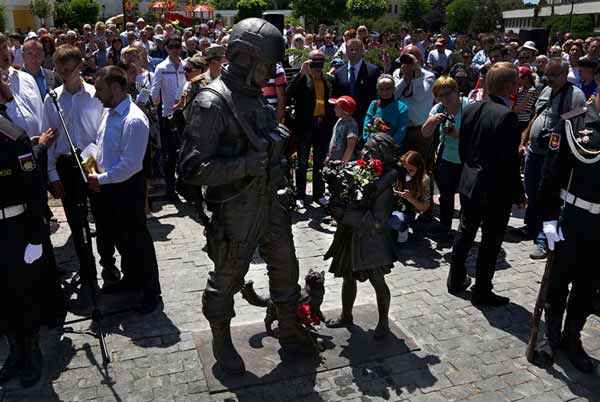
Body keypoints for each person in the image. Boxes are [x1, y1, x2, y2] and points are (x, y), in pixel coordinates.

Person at [177, 18, 316, 376]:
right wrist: (245, 163)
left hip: (271, 201)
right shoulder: (212, 102)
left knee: (286, 265)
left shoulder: (256, 99)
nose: (271, 74)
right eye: (267, 66)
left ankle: (288, 326)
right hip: (236, 207)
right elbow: (191, 169)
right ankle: (221, 337)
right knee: (227, 275)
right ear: (246, 58)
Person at [43, 45, 120, 298]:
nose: (66, 75)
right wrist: (52, 174)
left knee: (104, 217)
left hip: (91, 160)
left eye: (70, 70)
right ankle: (87, 274)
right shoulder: (52, 98)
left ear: (79, 67)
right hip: (66, 164)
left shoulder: (93, 95)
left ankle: (109, 268)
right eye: (61, 71)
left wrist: (98, 165)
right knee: (77, 225)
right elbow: (50, 140)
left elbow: (103, 132)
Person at [447, 62, 525, 306]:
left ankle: (455, 279)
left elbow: (463, 147)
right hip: (494, 189)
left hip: (470, 182)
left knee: (465, 232)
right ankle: (482, 289)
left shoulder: (471, 108)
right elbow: (509, 162)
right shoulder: (507, 116)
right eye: (515, 83)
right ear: (509, 86)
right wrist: (518, 192)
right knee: (490, 241)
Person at [533, 93, 600, 374]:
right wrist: (548, 228)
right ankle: (551, 335)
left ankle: (572, 338)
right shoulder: (574, 123)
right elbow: (550, 178)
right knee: (558, 283)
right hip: (569, 219)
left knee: (587, 286)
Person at [88, 66, 162, 314]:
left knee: (137, 241)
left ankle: (151, 293)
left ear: (116, 88)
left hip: (126, 189)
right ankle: (131, 280)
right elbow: (104, 148)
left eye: (100, 89)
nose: (96, 95)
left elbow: (131, 165)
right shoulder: (109, 113)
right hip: (109, 187)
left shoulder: (134, 119)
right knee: (123, 240)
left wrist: (101, 179)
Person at [325, 134, 399, 340]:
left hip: (371, 241)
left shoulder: (383, 186)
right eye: (364, 148)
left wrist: (345, 215)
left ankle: (383, 322)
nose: (364, 153)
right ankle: (346, 315)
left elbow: (377, 221)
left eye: (370, 150)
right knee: (348, 277)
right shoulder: (360, 172)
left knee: (377, 280)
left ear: (381, 155)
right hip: (350, 235)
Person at [0, 93, 47, 388]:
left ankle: (32, 351)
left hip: (14, 228)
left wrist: (35, 237)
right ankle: (14, 352)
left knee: (22, 294)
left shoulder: (10, 136)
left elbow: (33, 189)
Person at [520, 59, 586, 260]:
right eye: (547, 74)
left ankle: (547, 240)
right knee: (531, 191)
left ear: (565, 74)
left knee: (550, 200)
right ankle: (531, 228)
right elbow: (538, 114)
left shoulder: (575, 95)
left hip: (556, 158)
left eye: (554, 75)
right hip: (534, 151)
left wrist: (560, 127)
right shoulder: (546, 90)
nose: (549, 79)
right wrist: (525, 135)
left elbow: (579, 119)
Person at [287, 50, 335, 208]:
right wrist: (301, 73)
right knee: (302, 163)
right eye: (314, 63)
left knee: (319, 163)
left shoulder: (328, 79)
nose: (317, 67)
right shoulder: (303, 79)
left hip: (322, 126)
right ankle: (300, 195)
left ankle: (319, 194)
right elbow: (288, 94)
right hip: (305, 126)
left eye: (320, 63)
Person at [422, 76, 469, 234]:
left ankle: (465, 229)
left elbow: (477, 136)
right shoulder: (438, 109)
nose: (444, 98)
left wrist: (457, 134)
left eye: (447, 93)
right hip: (445, 158)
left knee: (465, 196)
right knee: (446, 195)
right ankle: (445, 226)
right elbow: (425, 132)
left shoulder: (469, 106)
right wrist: (432, 121)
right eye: (439, 96)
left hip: (466, 159)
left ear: (456, 91)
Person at [150, 35, 186, 201]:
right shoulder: (161, 67)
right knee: (170, 154)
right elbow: (154, 93)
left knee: (185, 152)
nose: (175, 49)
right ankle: (170, 189)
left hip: (185, 114)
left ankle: (185, 186)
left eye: (178, 46)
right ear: (166, 48)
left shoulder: (186, 65)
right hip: (168, 115)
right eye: (171, 46)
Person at [393, 48, 436, 169]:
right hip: (401, 129)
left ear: (419, 61)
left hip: (420, 131)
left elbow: (419, 97)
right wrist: (405, 79)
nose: (406, 64)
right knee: (400, 166)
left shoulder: (429, 76)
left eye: (410, 60)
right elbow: (393, 96)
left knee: (419, 167)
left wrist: (416, 76)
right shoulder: (398, 73)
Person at [333, 38, 380, 139]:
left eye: (357, 49)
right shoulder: (339, 72)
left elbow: (376, 96)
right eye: (351, 49)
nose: (354, 52)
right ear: (346, 51)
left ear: (362, 51)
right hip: (344, 120)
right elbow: (336, 96)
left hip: (365, 119)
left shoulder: (373, 71)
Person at [0, 34, 44, 139]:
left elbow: (42, 114)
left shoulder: (27, 78)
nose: (4, 53)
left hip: (43, 148)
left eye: (5, 47)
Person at [389, 150, 432, 243]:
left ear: (419, 168)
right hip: (393, 205)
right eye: (405, 169)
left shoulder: (424, 180)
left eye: (411, 170)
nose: (407, 172)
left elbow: (424, 208)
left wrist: (410, 198)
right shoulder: (399, 171)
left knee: (392, 220)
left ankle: (403, 229)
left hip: (407, 211)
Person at [363, 74, 409, 146]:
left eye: (388, 88)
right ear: (377, 90)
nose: (384, 92)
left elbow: (401, 130)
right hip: (372, 145)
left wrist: (389, 145)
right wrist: (369, 140)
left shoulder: (402, 107)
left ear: (394, 89)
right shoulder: (374, 104)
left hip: (390, 148)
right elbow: (366, 124)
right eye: (381, 89)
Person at [326, 95, 358, 163]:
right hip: (333, 160)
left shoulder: (351, 125)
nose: (334, 109)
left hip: (344, 162)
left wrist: (343, 164)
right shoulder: (339, 120)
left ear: (344, 110)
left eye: (336, 107)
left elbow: (350, 148)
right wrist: (329, 156)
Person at [513, 65, 539, 134]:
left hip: (523, 122)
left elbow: (520, 108)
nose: (518, 80)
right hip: (516, 120)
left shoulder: (532, 91)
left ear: (527, 78)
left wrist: (511, 110)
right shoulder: (520, 90)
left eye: (520, 78)